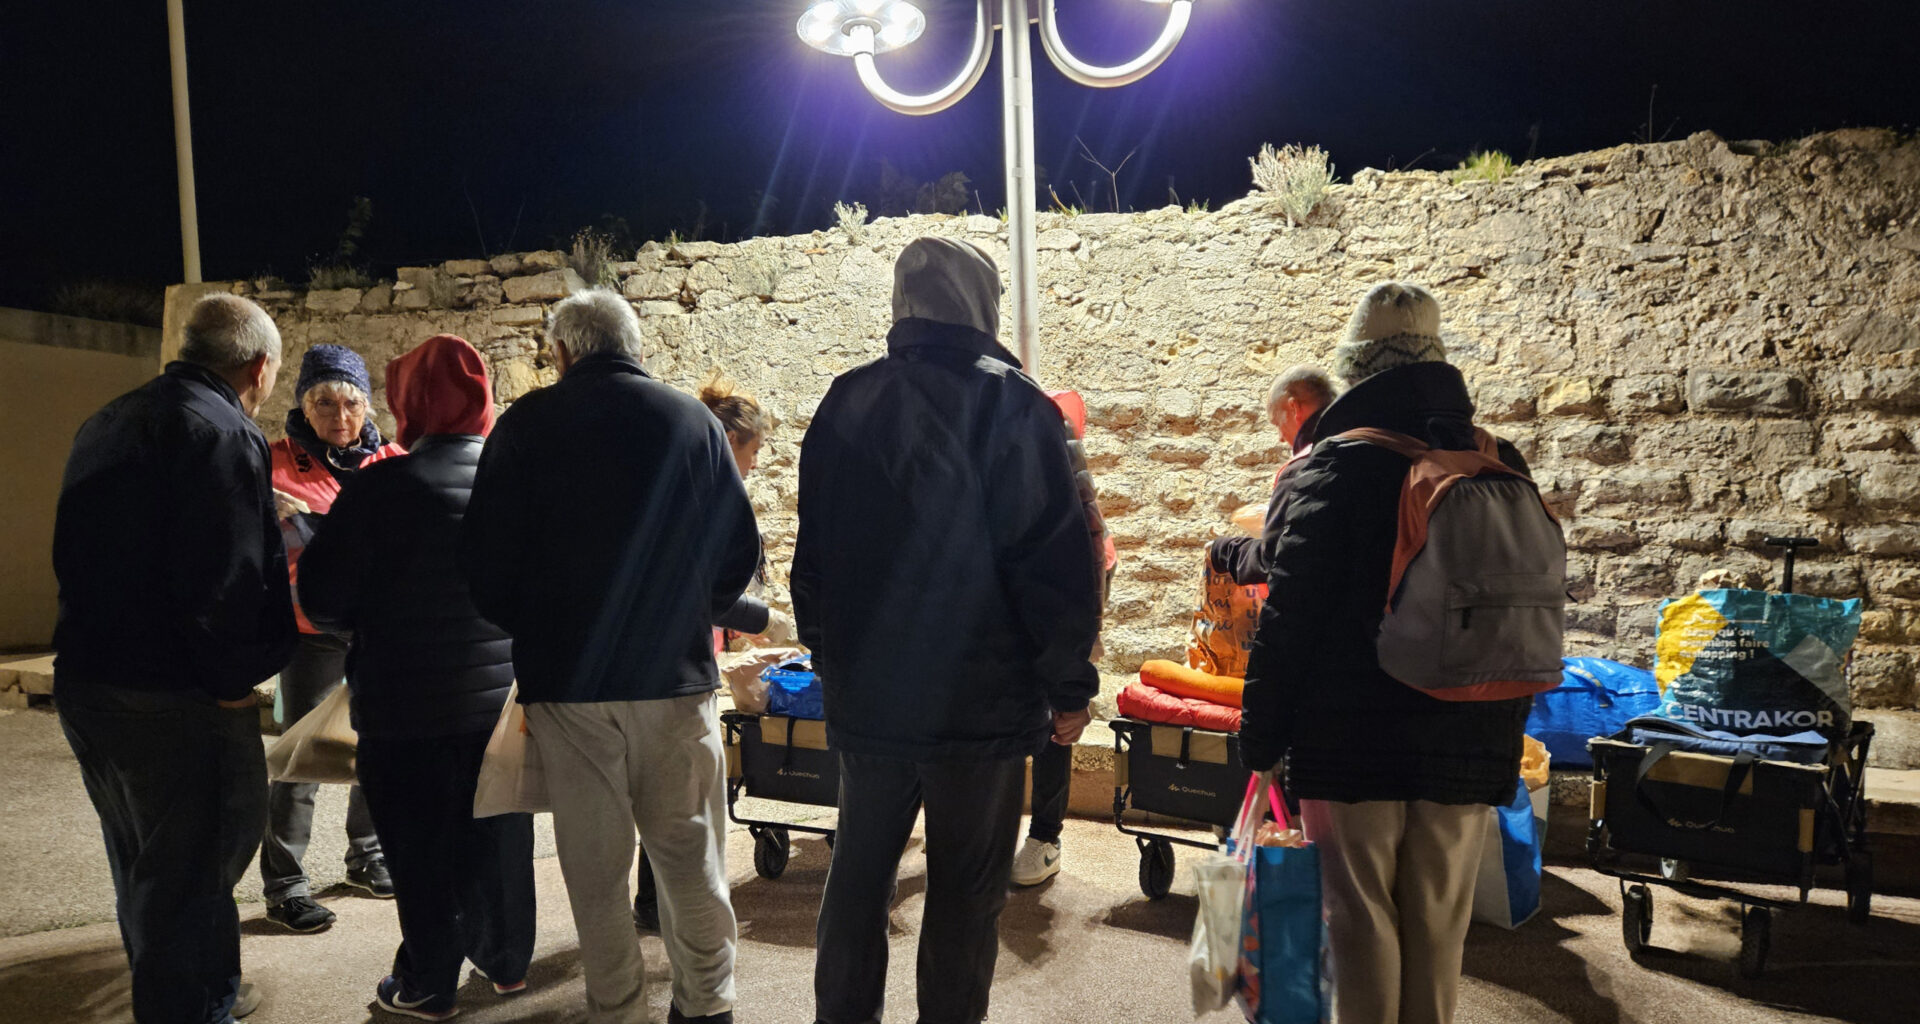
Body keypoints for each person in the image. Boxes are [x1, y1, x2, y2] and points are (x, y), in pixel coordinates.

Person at [794, 237, 1103, 1024]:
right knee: (967, 897)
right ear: (984, 303)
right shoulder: (1017, 404)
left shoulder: (846, 399)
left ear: (903, 303)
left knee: (858, 885)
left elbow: (813, 559)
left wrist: (834, 664)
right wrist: (1069, 683)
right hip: (984, 704)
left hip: (873, 699)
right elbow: (1053, 565)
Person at [463, 289, 760, 1024]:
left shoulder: (525, 426)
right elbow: (738, 557)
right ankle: (706, 1006)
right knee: (690, 857)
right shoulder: (690, 421)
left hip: (569, 685)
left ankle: (617, 1010)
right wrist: (692, 612)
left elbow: (485, 567)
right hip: (674, 679)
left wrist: (537, 623)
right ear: (634, 344)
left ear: (562, 353)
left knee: (595, 872)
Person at [1238, 283, 1531, 1024]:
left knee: (1361, 924)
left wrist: (1262, 736)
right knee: (1437, 930)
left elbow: (1291, 616)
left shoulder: (1333, 465)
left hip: (1351, 743)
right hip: (1468, 735)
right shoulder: (1500, 461)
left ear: (1356, 368)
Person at [51, 293, 296, 1024]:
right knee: (193, 869)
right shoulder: (222, 430)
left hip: (91, 680)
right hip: (174, 694)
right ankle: (188, 1007)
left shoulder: (110, 419)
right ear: (257, 367)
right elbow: (223, 578)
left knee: (143, 861)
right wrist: (229, 686)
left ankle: (203, 990)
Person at [298, 335, 534, 1020]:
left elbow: (323, 601)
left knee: (421, 851)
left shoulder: (381, 487)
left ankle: (429, 983)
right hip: (498, 707)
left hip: (407, 712)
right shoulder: (513, 481)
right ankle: (509, 963)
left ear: (408, 403)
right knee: (497, 840)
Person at [635, 374, 794, 933]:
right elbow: (701, 590)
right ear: (728, 441)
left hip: (670, 653)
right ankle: (670, 910)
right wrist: (763, 621)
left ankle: (654, 902)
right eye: (751, 453)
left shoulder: (681, 481)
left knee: (667, 792)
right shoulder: (699, 492)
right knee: (677, 795)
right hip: (670, 665)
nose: (751, 466)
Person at [262, 344, 404, 932]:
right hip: (311, 633)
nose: (338, 416)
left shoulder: (392, 461)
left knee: (374, 746)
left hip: (380, 630)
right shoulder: (270, 463)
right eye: (323, 402)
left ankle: (367, 857)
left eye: (350, 402)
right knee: (301, 758)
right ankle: (286, 883)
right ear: (302, 404)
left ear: (368, 407)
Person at [1009, 389, 1115, 887]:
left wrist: (1074, 680)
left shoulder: (1069, 494)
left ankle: (1046, 836)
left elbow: (1086, 585)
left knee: (1057, 727)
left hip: (1057, 629)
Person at [1209, 364, 1336, 585]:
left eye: (1278, 423)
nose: (1280, 438)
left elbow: (1273, 560)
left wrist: (1224, 550)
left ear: (1294, 408)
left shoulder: (1301, 470)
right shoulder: (1361, 448)